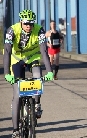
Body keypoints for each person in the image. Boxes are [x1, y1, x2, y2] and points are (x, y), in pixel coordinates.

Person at [3, 9, 54, 138]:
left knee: (37, 77)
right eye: (26, 23)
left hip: (32, 57)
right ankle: (15, 130)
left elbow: (43, 51)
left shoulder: (39, 30)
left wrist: (49, 71)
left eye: (31, 24)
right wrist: (6, 73)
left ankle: (36, 103)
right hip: (16, 59)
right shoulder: (12, 30)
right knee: (17, 94)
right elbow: (7, 52)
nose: (28, 26)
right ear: (21, 22)